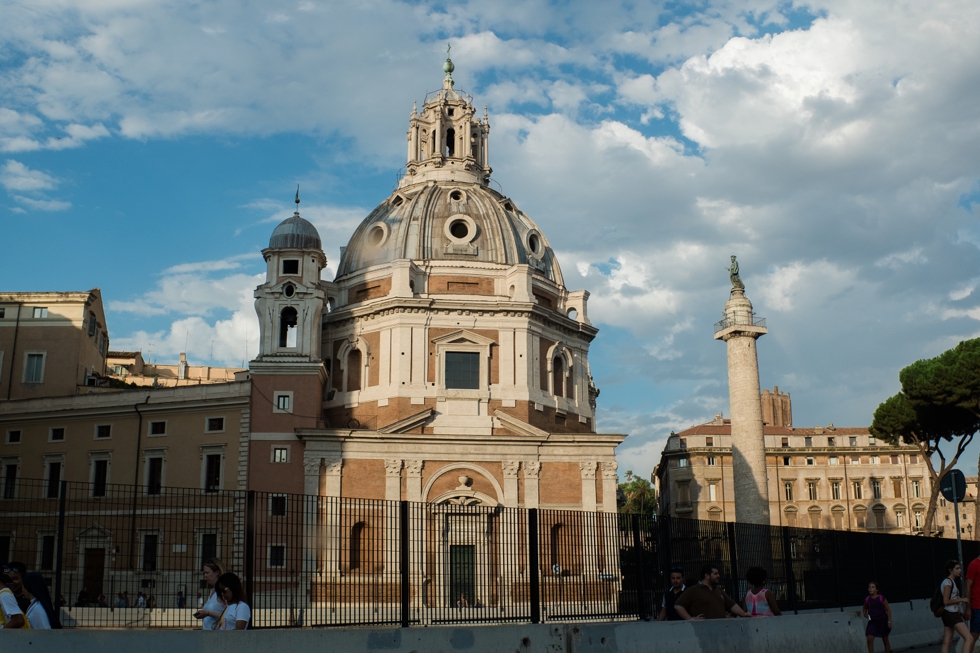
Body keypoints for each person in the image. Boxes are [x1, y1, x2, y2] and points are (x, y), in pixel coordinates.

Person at [674, 564, 750, 620]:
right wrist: (690, 619)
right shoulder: (694, 589)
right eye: (715, 573)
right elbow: (678, 606)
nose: (718, 576)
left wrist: (743, 613)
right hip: (702, 631)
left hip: (720, 629)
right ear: (707, 576)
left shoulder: (718, 590)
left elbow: (731, 605)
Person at [940, 561, 972, 653]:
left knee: (947, 642)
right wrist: (962, 599)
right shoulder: (948, 583)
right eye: (957, 568)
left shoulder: (951, 582)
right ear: (950, 570)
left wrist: (960, 613)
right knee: (968, 638)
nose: (960, 570)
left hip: (950, 613)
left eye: (960, 568)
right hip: (951, 614)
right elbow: (946, 601)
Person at [193, 558, 227, 630]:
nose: (205, 576)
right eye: (204, 573)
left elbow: (228, 617)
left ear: (217, 572)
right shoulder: (212, 591)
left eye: (207, 573)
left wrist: (208, 613)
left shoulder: (223, 592)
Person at [863, 581, 892, 653]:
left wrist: (889, 621)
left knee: (885, 640)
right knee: (869, 639)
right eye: (869, 587)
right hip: (872, 621)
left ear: (877, 589)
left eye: (873, 587)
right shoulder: (867, 599)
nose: (870, 589)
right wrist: (865, 614)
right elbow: (864, 608)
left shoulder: (881, 598)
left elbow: (888, 610)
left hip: (882, 621)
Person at [965, 553, 980, 644]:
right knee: (974, 635)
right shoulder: (974, 564)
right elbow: (967, 586)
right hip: (977, 606)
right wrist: (968, 608)